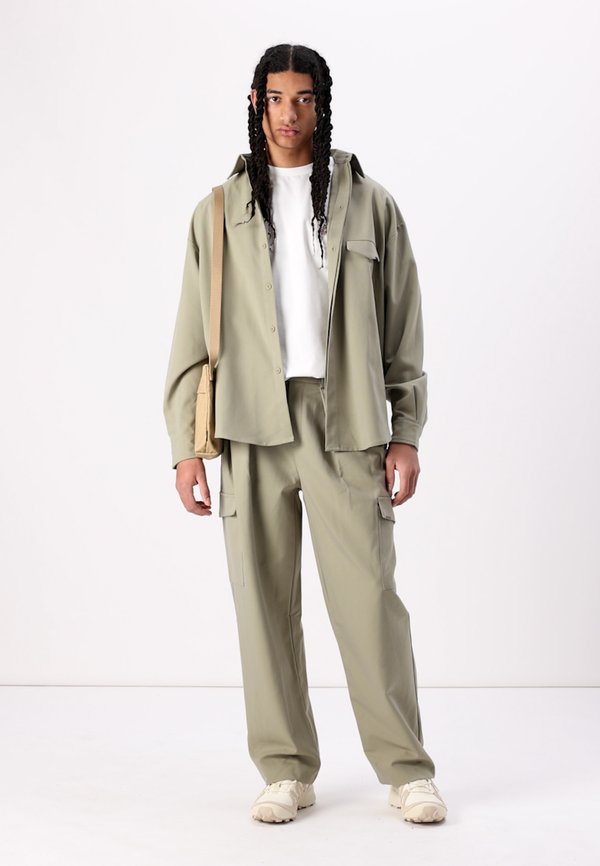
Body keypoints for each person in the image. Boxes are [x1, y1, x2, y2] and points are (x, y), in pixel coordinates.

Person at [163, 43, 448, 825]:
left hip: (345, 419)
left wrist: (406, 429)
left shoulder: (370, 204)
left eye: (305, 98)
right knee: (262, 605)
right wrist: (186, 446)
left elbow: (403, 323)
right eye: (276, 98)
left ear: (323, 106)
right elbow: (190, 333)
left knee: (370, 601)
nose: (290, 113)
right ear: (255, 104)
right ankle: (286, 768)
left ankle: (406, 770)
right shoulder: (218, 211)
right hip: (249, 424)